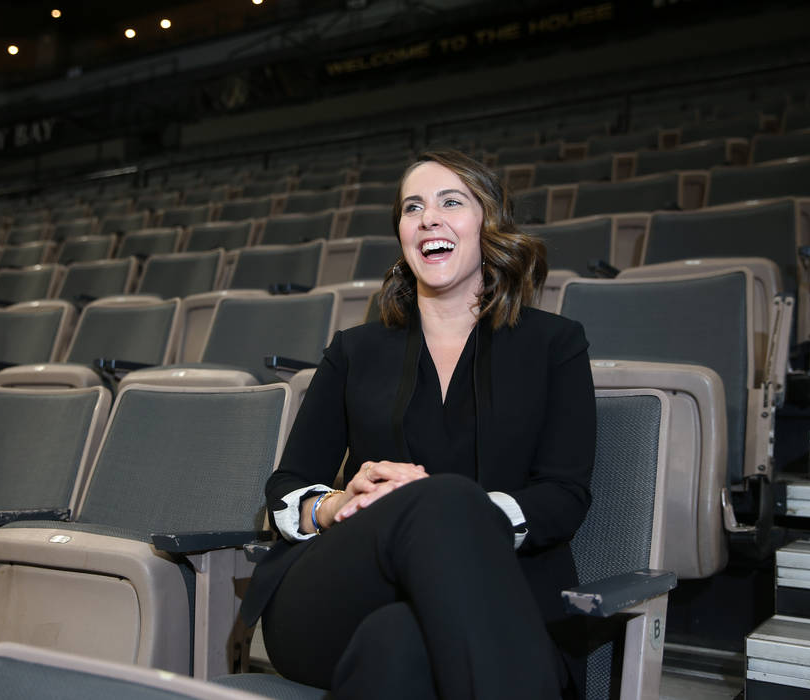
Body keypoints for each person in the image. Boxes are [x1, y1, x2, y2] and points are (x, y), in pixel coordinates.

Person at [240, 150, 596, 699]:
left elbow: (564, 496)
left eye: (451, 202)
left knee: (400, 643)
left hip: (502, 607)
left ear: (489, 225)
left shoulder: (556, 344)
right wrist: (334, 505)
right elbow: (286, 487)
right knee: (440, 507)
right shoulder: (353, 351)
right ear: (404, 238)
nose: (428, 217)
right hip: (337, 605)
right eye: (413, 208)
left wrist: (458, 511)